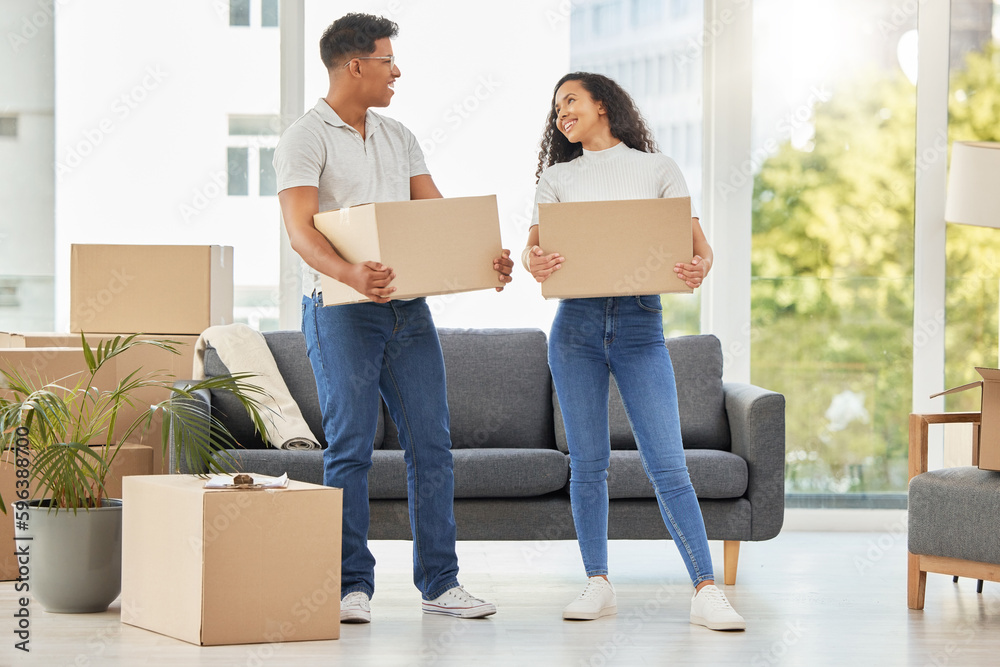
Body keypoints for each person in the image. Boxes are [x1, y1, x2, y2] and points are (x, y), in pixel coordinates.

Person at [274, 13, 512, 623]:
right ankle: (351, 585)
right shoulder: (306, 138)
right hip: (342, 311)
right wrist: (351, 274)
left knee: (432, 445)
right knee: (350, 446)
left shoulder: (398, 135)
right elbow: (300, 232)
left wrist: (484, 257)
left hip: (408, 310)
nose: (397, 71)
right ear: (356, 65)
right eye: (387, 61)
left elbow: (435, 215)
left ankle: (441, 583)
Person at [524, 72, 746, 631]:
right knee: (589, 465)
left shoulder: (656, 169)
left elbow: (699, 250)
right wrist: (536, 263)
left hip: (640, 325)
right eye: (556, 108)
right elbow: (534, 252)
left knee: (667, 465)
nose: (561, 113)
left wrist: (699, 267)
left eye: (570, 100)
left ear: (603, 104)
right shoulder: (557, 178)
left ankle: (705, 589)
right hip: (573, 328)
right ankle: (597, 582)